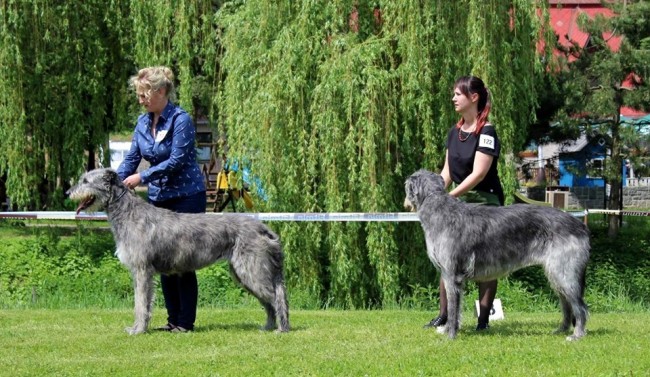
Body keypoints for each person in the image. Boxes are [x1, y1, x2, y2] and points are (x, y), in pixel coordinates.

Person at [117, 66, 207, 333]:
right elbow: (132, 159)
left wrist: (141, 178)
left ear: (161, 91)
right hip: (159, 199)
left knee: (183, 262)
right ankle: (172, 320)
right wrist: (115, 181)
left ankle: (185, 322)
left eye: (144, 94)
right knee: (162, 261)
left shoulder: (181, 120)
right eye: (139, 95)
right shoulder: (143, 123)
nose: (141, 99)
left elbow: (177, 161)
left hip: (186, 198)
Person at [424, 75, 504, 331]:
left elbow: (478, 173)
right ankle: (445, 315)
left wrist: (449, 197)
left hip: (484, 203)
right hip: (457, 203)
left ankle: (483, 320)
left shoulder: (487, 132)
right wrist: (433, 193)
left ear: (474, 97)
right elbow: (447, 171)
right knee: (447, 257)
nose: (453, 98)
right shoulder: (454, 133)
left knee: (487, 262)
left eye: (458, 94)